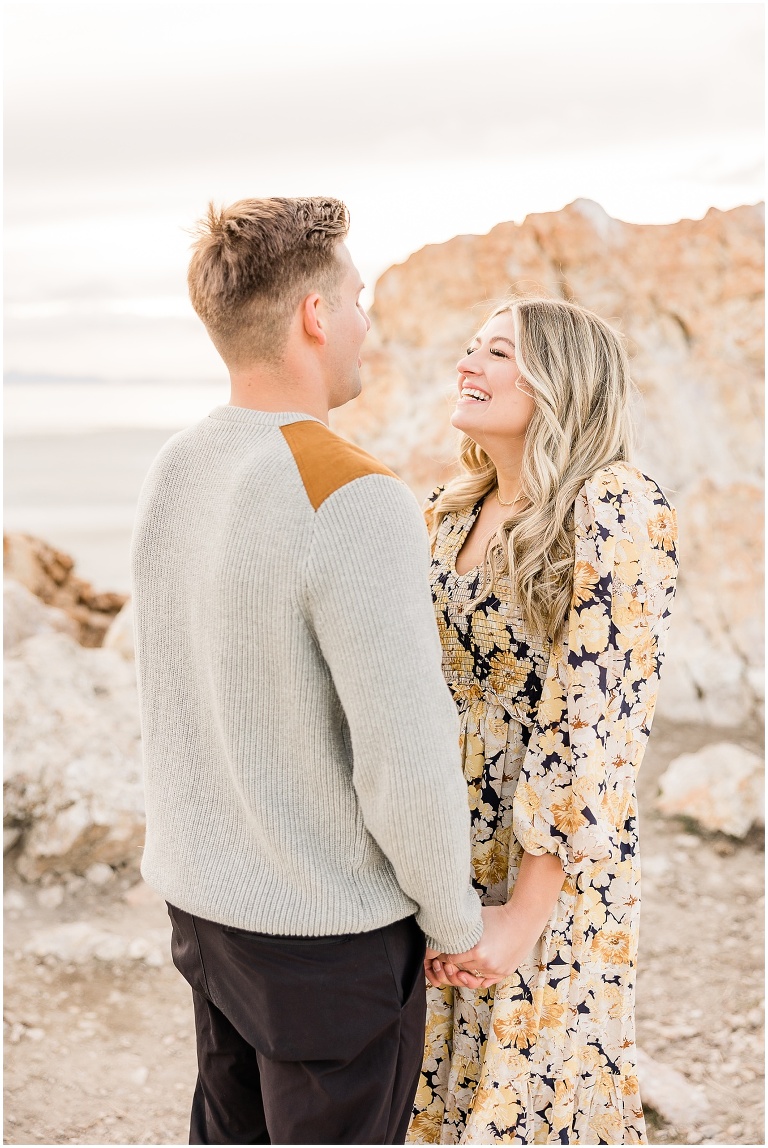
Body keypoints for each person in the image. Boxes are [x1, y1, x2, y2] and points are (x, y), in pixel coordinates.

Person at [131, 196, 483, 1146]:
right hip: (326, 939)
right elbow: (403, 754)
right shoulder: (355, 492)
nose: (368, 322)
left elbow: (171, 689)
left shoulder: (179, 465)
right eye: (357, 298)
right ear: (315, 317)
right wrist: (455, 920)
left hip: (206, 909)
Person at [408, 297, 678, 1145]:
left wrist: (521, 918)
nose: (469, 363)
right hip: (442, 841)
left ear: (563, 381)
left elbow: (594, 725)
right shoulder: (450, 510)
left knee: (527, 1094)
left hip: (550, 863)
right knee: (435, 1086)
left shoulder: (616, 505)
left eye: (498, 352)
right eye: (469, 346)